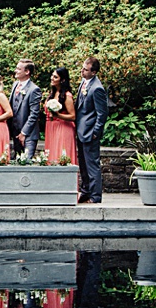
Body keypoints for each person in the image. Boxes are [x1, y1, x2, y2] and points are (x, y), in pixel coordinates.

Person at [75, 56, 109, 204]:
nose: (82, 71)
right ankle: (85, 191)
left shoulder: (97, 89)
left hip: (90, 133)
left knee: (92, 165)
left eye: (86, 69)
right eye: (82, 67)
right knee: (83, 164)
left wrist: (96, 132)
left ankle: (95, 197)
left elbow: (102, 113)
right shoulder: (84, 82)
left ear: (94, 72)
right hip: (80, 131)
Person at [9, 59, 42, 159]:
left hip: (29, 135)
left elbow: (34, 114)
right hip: (15, 133)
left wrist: (24, 133)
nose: (15, 71)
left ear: (27, 72)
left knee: (27, 165)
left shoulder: (34, 90)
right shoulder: (15, 85)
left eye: (19, 69)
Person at [43, 67, 77, 164]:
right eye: (52, 76)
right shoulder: (52, 93)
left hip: (63, 128)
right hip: (51, 127)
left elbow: (73, 116)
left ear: (62, 80)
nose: (52, 78)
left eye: (55, 77)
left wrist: (58, 116)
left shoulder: (66, 95)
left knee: (61, 156)